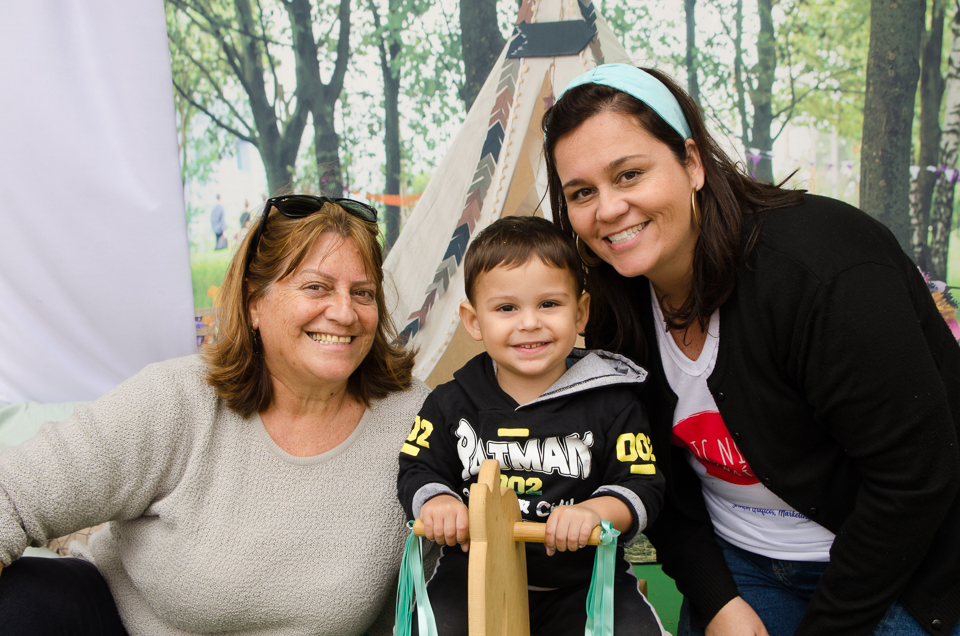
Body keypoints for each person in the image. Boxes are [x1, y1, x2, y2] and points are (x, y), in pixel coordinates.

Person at [541, 63, 960, 636]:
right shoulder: (612, 304)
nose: (608, 209)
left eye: (629, 174)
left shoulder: (823, 268)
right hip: (743, 569)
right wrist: (716, 599)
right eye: (582, 193)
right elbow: (652, 474)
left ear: (692, 163)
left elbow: (916, 477)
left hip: (895, 567)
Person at [0, 195, 429, 635]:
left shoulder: (418, 420)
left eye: (362, 293)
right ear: (254, 302)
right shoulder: (178, 398)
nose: (344, 312)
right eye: (316, 287)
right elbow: (12, 493)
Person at [397, 215, 667, 636]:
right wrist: (438, 503)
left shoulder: (613, 403)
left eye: (549, 304)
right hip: (471, 576)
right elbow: (417, 467)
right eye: (506, 308)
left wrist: (595, 512)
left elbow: (642, 484)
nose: (529, 323)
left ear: (580, 313)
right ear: (474, 321)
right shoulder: (450, 403)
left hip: (583, 582)